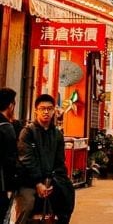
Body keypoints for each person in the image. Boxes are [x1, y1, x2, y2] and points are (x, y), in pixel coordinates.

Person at [15, 94, 75, 224]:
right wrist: (38, 183)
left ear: (54, 111)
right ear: (36, 110)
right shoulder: (28, 132)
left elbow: (60, 161)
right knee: (28, 205)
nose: (46, 112)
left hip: (51, 179)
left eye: (49, 108)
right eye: (42, 108)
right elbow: (27, 160)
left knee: (67, 198)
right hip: (29, 180)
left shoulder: (57, 134)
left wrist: (57, 180)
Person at [0, 88, 18, 221]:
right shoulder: (7, 128)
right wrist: (10, 186)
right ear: (11, 106)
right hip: (2, 185)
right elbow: (9, 160)